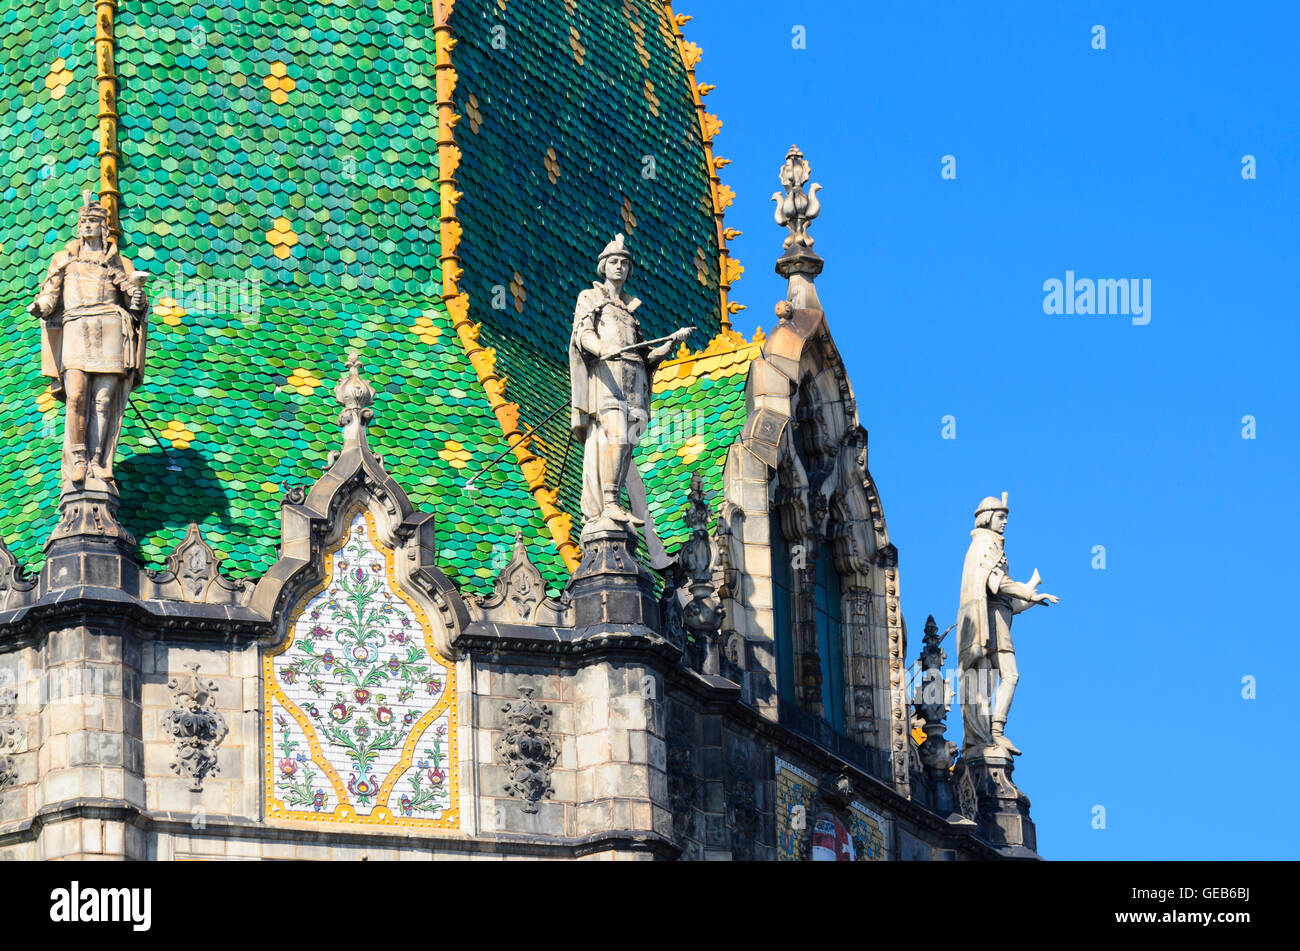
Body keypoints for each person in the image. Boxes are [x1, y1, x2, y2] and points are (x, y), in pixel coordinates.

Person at [568, 234, 691, 566]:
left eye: (624, 262)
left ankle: (615, 498)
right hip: (606, 380)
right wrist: (601, 348)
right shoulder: (590, 297)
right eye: (614, 261)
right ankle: (609, 502)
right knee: (618, 439)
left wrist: (663, 350)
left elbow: (642, 354)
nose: (620, 266)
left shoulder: (629, 310)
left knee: (626, 447)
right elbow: (583, 334)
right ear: (603, 266)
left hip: (633, 382)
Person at [28, 195, 148, 487]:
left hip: (109, 328)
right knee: (77, 396)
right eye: (84, 222)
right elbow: (51, 292)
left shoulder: (118, 262)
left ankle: (99, 460)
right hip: (77, 327)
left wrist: (137, 299)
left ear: (104, 227)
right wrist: (41, 306)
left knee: (105, 399)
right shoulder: (64, 259)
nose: (87, 227)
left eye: (93, 222)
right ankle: (79, 460)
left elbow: (135, 307)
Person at [956, 494, 1058, 756]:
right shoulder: (985, 544)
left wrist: (1032, 596)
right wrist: (1029, 593)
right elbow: (999, 584)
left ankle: (989, 732)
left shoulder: (989, 545)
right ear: (988, 517)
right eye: (1001, 517)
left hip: (998, 618)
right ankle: (995, 732)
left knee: (989, 680)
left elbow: (1006, 598)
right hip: (991, 623)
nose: (1004, 523)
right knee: (1009, 676)